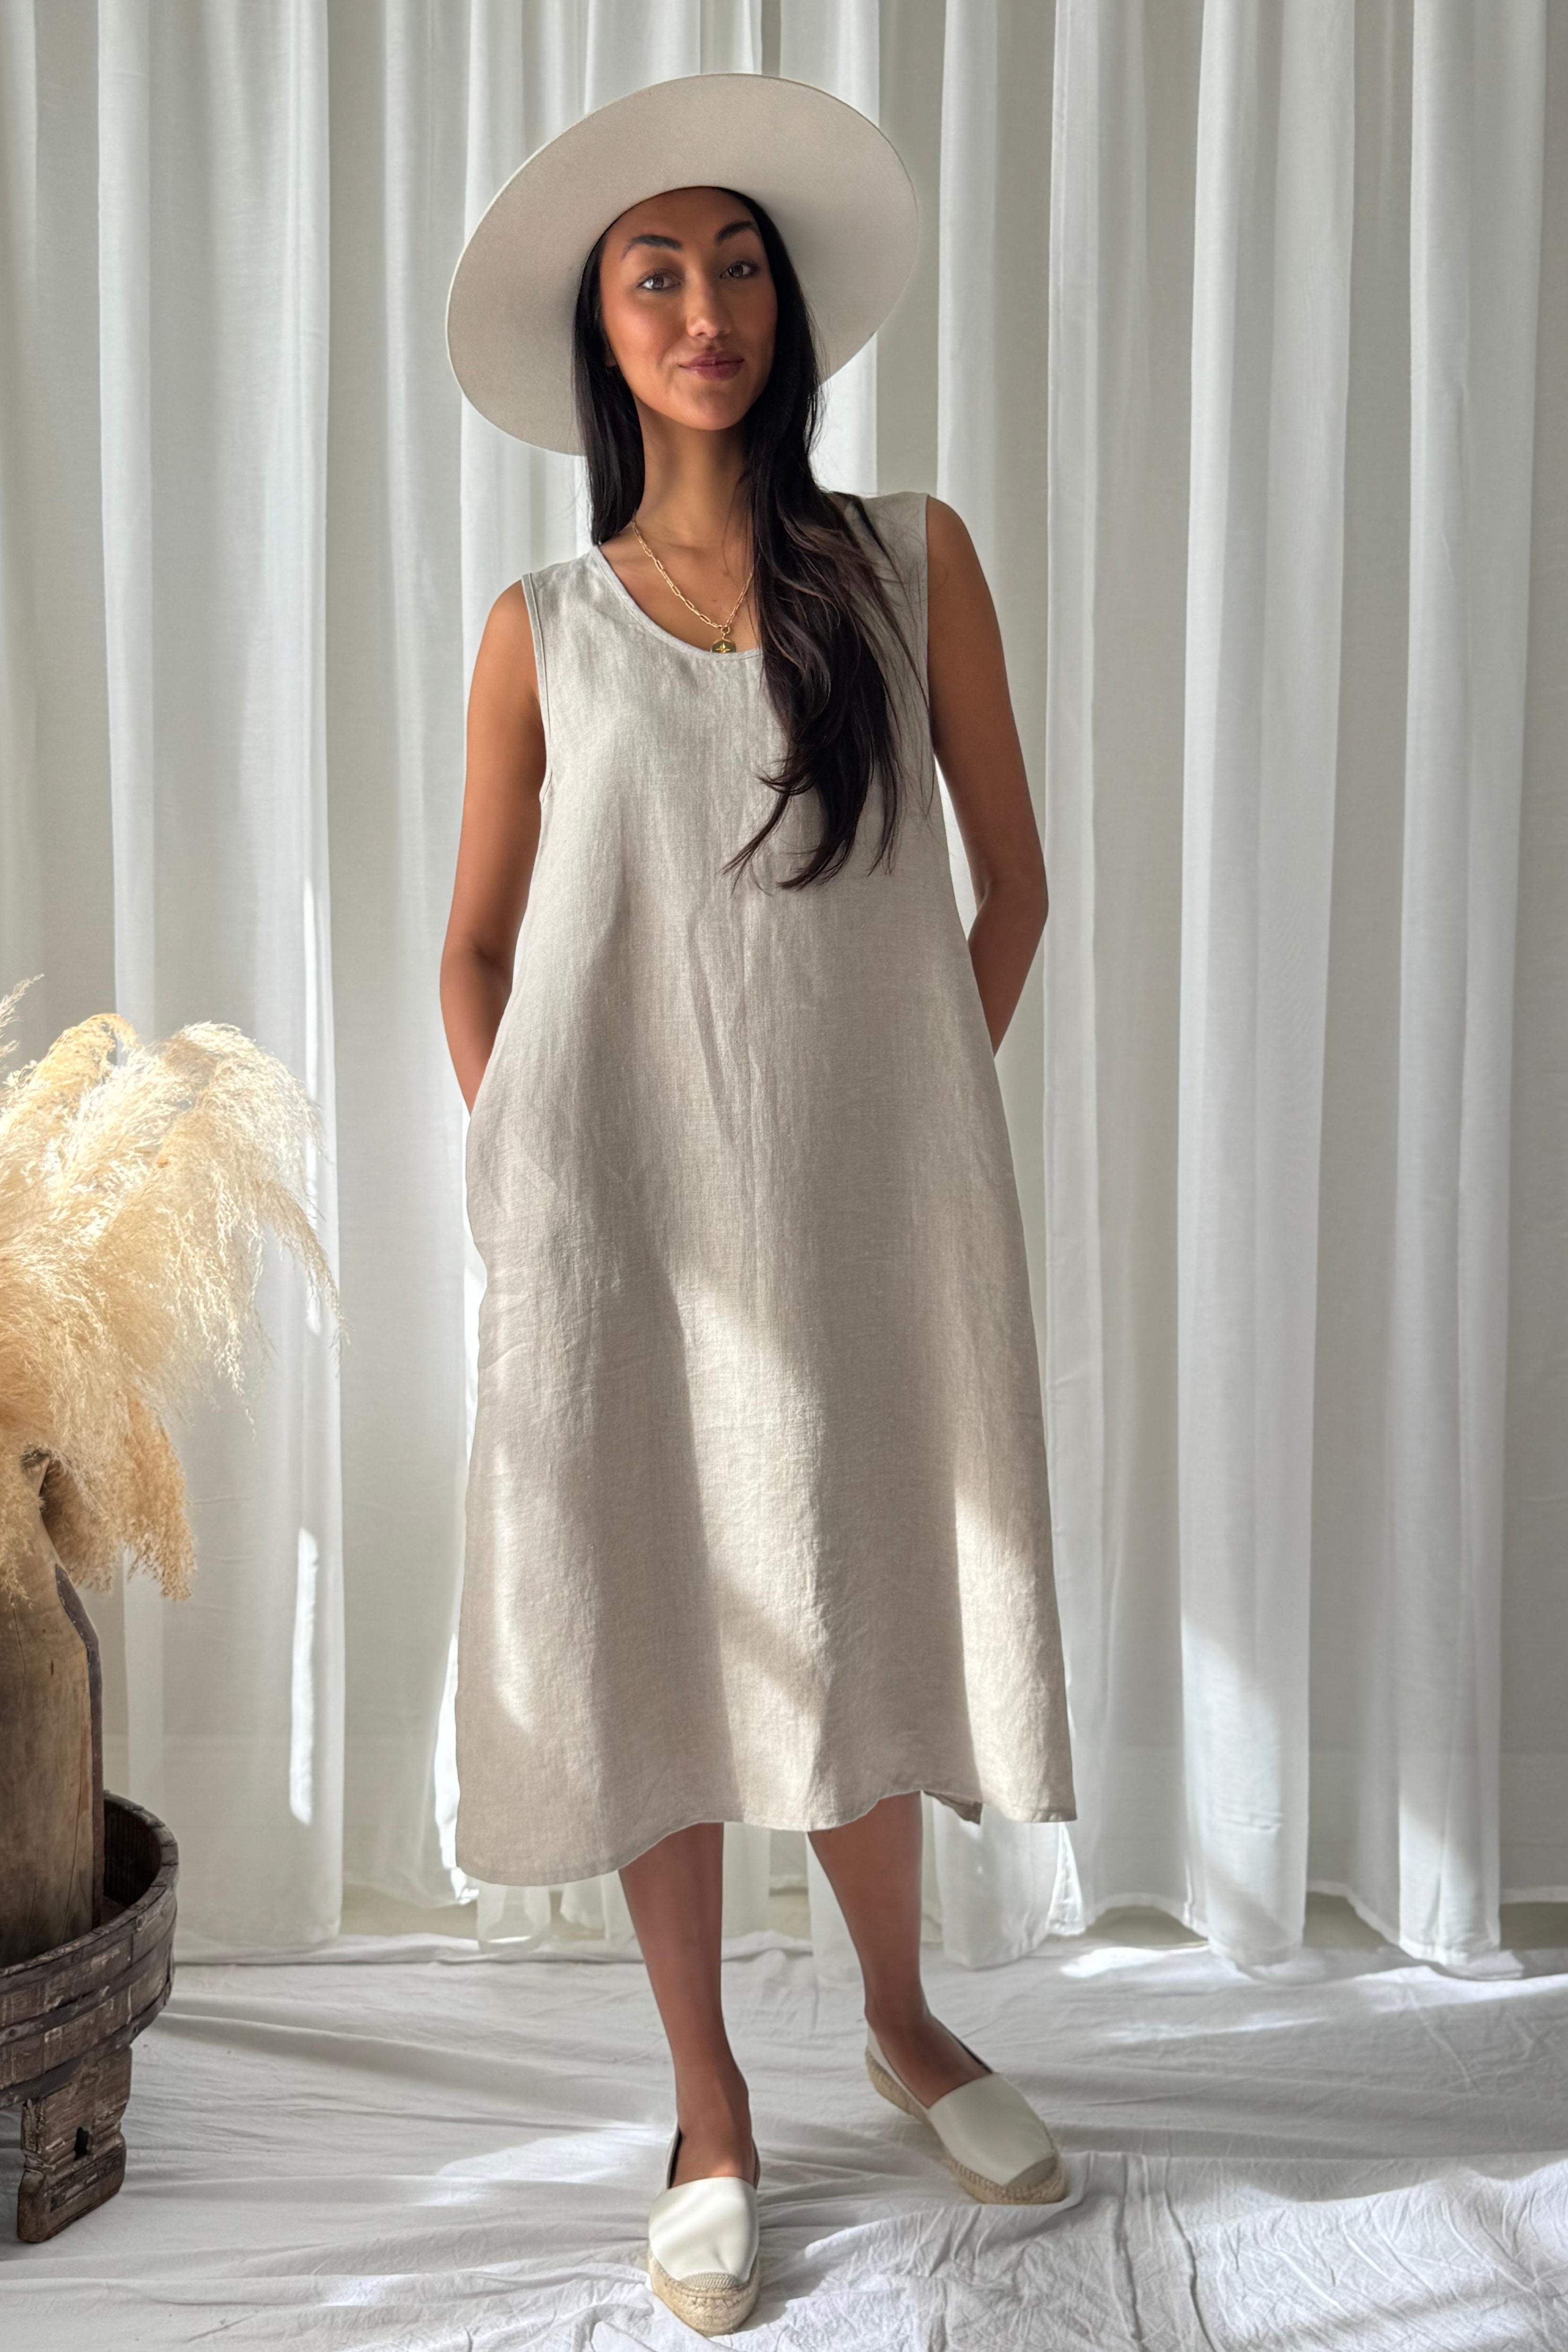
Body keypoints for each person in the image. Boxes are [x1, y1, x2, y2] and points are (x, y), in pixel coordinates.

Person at [440, 73, 1076, 2335]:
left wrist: (898, 1143)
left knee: (862, 1587)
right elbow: (475, 946)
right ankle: (706, 2102)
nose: (703, 307)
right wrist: (530, 1167)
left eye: (734, 268)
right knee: (647, 1614)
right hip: (614, 1225)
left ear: (785, 310)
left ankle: (899, 2018)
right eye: (656, 275)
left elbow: (1011, 889)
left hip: (865, 1232)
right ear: (604, 334)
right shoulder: (542, 624)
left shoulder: (912, 560)